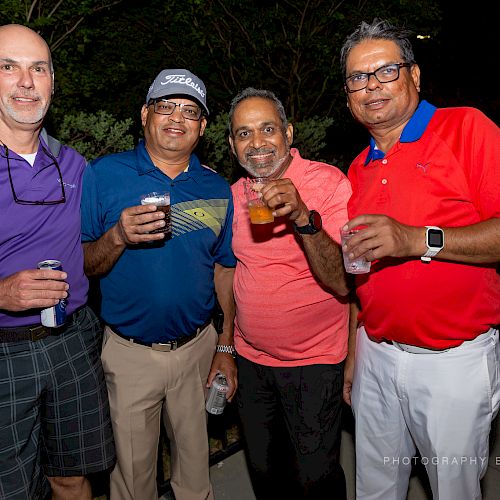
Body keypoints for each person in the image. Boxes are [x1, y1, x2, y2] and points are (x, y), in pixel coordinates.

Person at [340, 18, 500, 500]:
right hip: (375, 357)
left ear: (414, 76)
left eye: (385, 71)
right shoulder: (358, 166)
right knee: (375, 489)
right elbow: (357, 273)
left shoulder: (466, 127)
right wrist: (354, 352)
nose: (370, 87)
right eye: (357, 78)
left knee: (453, 490)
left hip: (453, 363)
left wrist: (417, 240)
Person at [81, 68, 237, 500]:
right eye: (165, 106)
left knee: (195, 477)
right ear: (145, 114)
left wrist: (225, 344)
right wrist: (116, 236)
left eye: (189, 111)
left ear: (203, 127)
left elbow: (225, 269)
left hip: (197, 350)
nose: (176, 118)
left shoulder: (216, 186)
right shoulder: (104, 175)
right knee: (132, 481)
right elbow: (81, 264)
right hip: (130, 355)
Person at [0, 24, 115, 500]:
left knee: (72, 477)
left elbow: (119, 212)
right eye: (8, 66)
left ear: (53, 82)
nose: (26, 82)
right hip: (4, 351)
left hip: (73, 342)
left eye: (38, 69)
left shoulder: (75, 165)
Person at [228, 87, 351, 499]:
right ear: (231, 145)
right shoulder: (234, 195)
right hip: (251, 363)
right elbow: (229, 273)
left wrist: (302, 217)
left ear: (288, 133)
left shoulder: (327, 182)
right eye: (244, 134)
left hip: (313, 364)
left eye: (267, 129)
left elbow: (343, 281)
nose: (257, 142)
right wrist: (226, 347)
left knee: (315, 479)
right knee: (266, 475)